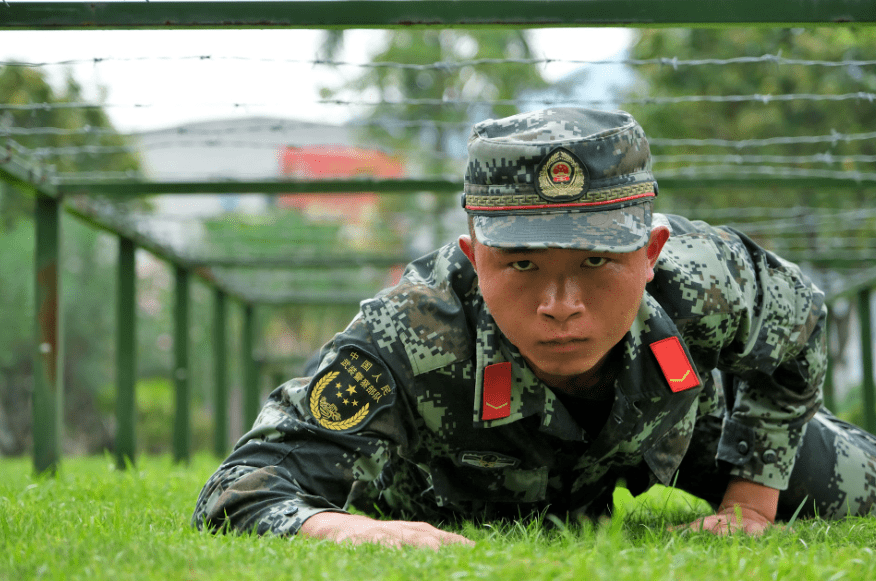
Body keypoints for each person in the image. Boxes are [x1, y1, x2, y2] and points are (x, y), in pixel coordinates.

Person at [192, 107, 876, 549]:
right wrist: (354, 532)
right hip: (464, 488)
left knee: (856, 485)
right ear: (472, 258)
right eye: (521, 263)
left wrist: (751, 501)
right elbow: (242, 486)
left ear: (650, 254)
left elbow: (801, 326)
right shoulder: (410, 331)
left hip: (670, 420)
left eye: (596, 261)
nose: (560, 302)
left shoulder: (702, 277)